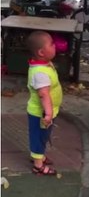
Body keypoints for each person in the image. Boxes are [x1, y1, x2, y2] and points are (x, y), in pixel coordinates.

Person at [26, 31, 63, 176]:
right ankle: (38, 165)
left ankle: (38, 155)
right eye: (52, 44)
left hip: (47, 112)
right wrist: (48, 113)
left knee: (43, 135)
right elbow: (43, 94)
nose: (55, 46)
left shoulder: (45, 64)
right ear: (41, 52)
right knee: (39, 137)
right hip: (41, 114)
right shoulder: (40, 73)